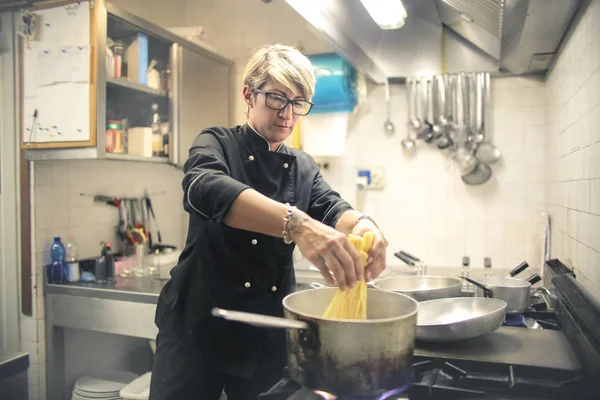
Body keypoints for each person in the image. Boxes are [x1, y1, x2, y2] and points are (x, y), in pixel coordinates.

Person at [149, 44, 388, 400]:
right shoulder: (216, 142)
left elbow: (333, 207)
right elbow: (203, 187)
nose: (287, 114)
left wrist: (366, 226)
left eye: (298, 103)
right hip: (196, 329)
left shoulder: (302, 165)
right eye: (277, 98)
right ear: (249, 94)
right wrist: (296, 224)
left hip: (266, 333)